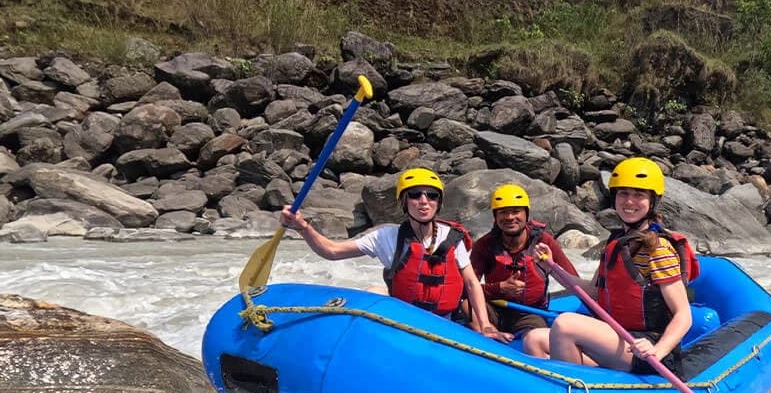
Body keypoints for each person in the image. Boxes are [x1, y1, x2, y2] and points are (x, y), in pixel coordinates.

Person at [281, 167, 508, 341]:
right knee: (374, 292)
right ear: (403, 201)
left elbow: (471, 282)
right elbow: (331, 251)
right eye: (415, 195)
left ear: (438, 203)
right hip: (404, 321)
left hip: (444, 324)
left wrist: (485, 324)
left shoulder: (453, 237)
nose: (423, 201)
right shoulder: (386, 237)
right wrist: (303, 227)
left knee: (478, 326)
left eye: (431, 196)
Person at [523, 158, 696, 374]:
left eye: (638, 195)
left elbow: (683, 315)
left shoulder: (658, 249)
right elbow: (593, 292)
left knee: (565, 324)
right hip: (617, 338)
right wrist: (552, 267)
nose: (629, 202)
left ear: (653, 201)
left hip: (647, 347)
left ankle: (574, 389)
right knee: (534, 339)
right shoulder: (615, 243)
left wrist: (657, 350)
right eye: (623, 193)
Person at [470, 184, 579, 334]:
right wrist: (499, 288)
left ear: (526, 214)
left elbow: (573, 280)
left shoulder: (544, 241)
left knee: (536, 335)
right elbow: (466, 287)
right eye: (503, 212)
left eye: (516, 212)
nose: (509, 217)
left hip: (530, 313)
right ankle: (489, 338)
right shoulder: (484, 245)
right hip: (493, 308)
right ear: (495, 217)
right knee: (466, 305)